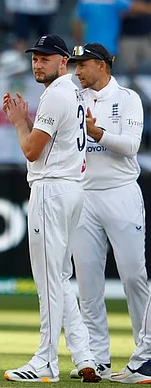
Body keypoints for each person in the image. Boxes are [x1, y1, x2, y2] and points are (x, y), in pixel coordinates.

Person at [1, 35, 100, 383]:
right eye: (35, 58)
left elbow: (31, 151)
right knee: (59, 278)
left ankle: (45, 361)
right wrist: (27, 120)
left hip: (51, 191)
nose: (37, 64)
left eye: (45, 58)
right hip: (72, 189)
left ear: (63, 62)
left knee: (47, 280)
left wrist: (17, 120)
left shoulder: (57, 95)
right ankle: (85, 356)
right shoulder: (72, 92)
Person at [65, 42, 148, 379]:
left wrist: (96, 131)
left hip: (121, 192)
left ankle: (146, 354)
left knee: (132, 276)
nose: (78, 71)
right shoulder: (73, 98)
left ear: (101, 65)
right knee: (88, 282)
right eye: (75, 65)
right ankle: (97, 357)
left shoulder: (128, 98)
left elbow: (131, 146)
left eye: (83, 65)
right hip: (83, 196)